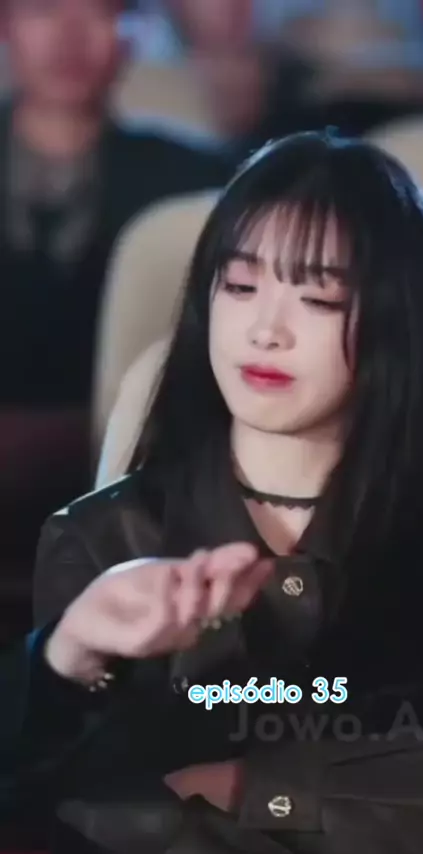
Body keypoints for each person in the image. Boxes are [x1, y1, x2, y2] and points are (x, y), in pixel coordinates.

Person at [1, 131, 423, 853]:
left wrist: (261, 788)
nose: (265, 331)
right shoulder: (108, 537)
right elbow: (66, 803)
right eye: (241, 286)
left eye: (318, 297)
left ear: (394, 321)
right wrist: (68, 655)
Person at [0, 0, 231, 642]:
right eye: (45, 9)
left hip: (138, 473)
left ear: (134, 35)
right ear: (6, 23)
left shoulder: (198, 181)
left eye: (101, 12)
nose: (70, 37)